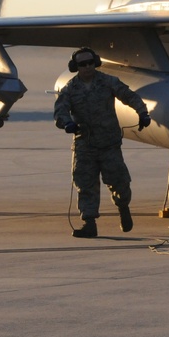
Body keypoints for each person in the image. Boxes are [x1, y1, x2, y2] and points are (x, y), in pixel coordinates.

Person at [54, 47, 151, 239]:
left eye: (90, 62)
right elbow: (60, 111)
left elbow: (129, 96)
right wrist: (67, 123)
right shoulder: (70, 89)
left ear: (96, 62)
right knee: (85, 184)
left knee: (119, 181)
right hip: (85, 145)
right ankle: (89, 223)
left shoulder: (108, 82)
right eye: (82, 64)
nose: (88, 67)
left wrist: (142, 113)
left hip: (109, 144)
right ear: (76, 67)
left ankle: (123, 207)